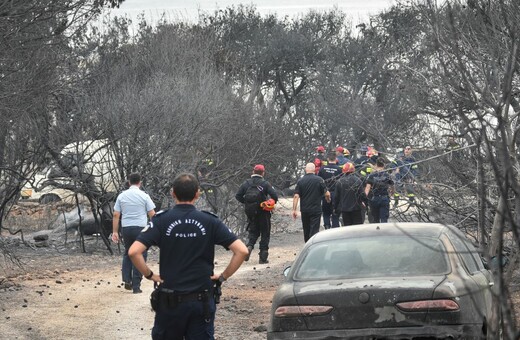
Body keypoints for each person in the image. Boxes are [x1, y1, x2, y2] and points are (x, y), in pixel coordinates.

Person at [128, 173, 248, 340]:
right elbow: (242, 251)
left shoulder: (161, 220)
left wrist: (149, 275)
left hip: (170, 302)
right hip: (201, 301)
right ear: (197, 194)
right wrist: (222, 277)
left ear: (173, 193)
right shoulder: (209, 221)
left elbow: (134, 252)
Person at [112, 172, 156, 294]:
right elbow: (152, 214)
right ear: (140, 183)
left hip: (126, 228)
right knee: (140, 254)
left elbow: (116, 214)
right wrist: (156, 229)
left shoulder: (122, 196)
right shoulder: (144, 196)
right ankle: (136, 285)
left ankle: (127, 279)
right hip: (141, 229)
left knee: (128, 252)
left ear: (128, 182)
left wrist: (115, 231)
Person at [235, 164, 278, 264]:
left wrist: (248, 203)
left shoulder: (246, 183)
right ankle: (263, 258)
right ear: (263, 173)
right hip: (264, 212)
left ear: (253, 171)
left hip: (251, 212)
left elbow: (238, 196)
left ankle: (249, 247)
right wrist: (269, 203)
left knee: (253, 232)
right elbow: (275, 196)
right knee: (265, 233)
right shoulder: (265, 183)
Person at [292, 163, 329, 242]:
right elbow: (327, 193)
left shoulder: (300, 181)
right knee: (314, 230)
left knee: (306, 230)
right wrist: (328, 199)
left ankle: (307, 245)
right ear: (315, 170)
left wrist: (294, 210)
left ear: (306, 170)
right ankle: (313, 246)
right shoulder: (319, 180)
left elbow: (296, 196)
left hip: (305, 210)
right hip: (316, 209)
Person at [365, 158, 394, 223]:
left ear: (376, 165)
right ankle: (383, 232)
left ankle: (377, 232)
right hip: (384, 198)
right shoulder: (387, 175)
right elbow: (392, 186)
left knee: (375, 219)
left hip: (375, 199)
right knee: (384, 220)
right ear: (384, 165)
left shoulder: (371, 176)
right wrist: (392, 193)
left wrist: (364, 199)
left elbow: (367, 188)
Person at [318, 152, 342, 229]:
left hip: (325, 193)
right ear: (336, 159)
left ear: (328, 159)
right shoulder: (339, 169)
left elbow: (319, 181)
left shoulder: (322, 169)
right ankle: (335, 228)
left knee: (326, 213)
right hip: (336, 194)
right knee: (335, 213)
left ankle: (327, 227)